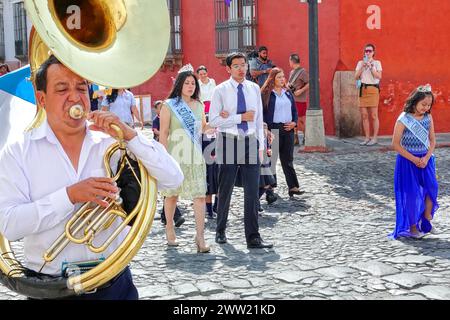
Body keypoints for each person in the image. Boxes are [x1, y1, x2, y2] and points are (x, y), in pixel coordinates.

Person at [0, 55, 184, 300]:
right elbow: (10, 225)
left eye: (81, 88)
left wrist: (131, 136)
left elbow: (174, 179)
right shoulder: (18, 152)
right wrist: (69, 196)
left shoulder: (113, 142)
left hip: (114, 285)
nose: (75, 97)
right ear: (42, 98)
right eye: (62, 89)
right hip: (50, 289)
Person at [209, 52, 273, 249]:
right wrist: (239, 118)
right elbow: (213, 121)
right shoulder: (220, 90)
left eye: (243, 64)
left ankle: (253, 236)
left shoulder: (254, 88)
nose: (241, 68)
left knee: (252, 191)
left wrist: (261, 146)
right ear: (228, 69)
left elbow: (258, 118)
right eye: (236, 65)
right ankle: (220, 230)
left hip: (251, 142)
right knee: (225, 188)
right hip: (228, 141)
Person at [159, 64, 210, 253]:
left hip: (195, 157)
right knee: (172, 195)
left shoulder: (200, 105)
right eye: (187, 83)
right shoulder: (169, 105)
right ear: (180, 84)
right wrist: (163, 159)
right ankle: (170, 228)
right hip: (175, 155)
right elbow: (163, 133)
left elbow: (203, 128)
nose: (190, 86)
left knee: (199, 196)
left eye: (193, 83)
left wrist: (216, 123)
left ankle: (200, 236)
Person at [389, 84, 438, 239]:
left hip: (425, 159)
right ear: (414, 101)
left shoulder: (428, 118)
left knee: (432, 187)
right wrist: (415, 159)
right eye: (423, 104)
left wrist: (426, 157)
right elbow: (395, 144)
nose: (426, 107)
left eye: (429, 105)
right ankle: (412, 227)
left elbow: (433, 141)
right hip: (407, 161)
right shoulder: (403, 119)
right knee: (411, 194)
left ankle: (426, 217)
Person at [262, 67, 304, 198]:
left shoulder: (288, 93)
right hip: (273, 129)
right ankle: (270, 188)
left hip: (288, 129)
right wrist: (265, 128)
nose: (282, 79)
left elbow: (294, 111)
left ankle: (293, 187)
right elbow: (261, 112)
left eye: (283, 77)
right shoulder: (267, 93)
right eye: (279, 77)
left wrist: (294, 123)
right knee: (272, 160)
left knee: (288, 160)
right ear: (272, 79)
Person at [153, 100, 185, 227]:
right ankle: (175, 216)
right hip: (161, 150)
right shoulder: (157, 119)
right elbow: (156, 131)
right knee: (168, 187)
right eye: (159, 108)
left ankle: (165, 216)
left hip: (172, 150)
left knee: (169, 187)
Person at [355, 44, 382, 146]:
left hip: (373, 89)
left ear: (373, 52)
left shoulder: (377, 63)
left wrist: (371, 67)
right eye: (366, 51)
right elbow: (356, 77)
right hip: (363, 89)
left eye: (370, 51)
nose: (368, 53)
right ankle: (367, 137)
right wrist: (363, 67)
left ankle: (374, 138)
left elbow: (379, 76)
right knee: (364, 115)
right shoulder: (360, 63)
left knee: (374, 115)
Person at [287, 54, 309, 146]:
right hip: (292, 98)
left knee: (301, 119)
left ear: (292, 61)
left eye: (289, 61)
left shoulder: (303, 72)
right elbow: (290, 83)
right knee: (293, 118)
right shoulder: (292, 72)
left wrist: (301, 90)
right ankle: (295, 137)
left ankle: (306, 137)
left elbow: (309, 82)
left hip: (300, 99)